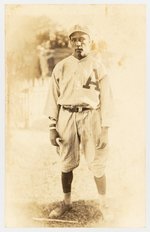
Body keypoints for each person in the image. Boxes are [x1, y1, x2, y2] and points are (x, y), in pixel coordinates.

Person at [44, 24, 113, 220]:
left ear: (90, 43)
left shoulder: (98, 66)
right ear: (70, 42)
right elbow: (52, 97)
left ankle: (104, 203)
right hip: (66, 116)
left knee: (98, 162)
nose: (78, 43)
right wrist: (52, 127)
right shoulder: (61, 66)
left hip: (91, 116)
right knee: (66, 163)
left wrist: (106, 128)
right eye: (74, 39)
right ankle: (66, 203)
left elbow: (107, 99)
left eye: (83, 39)